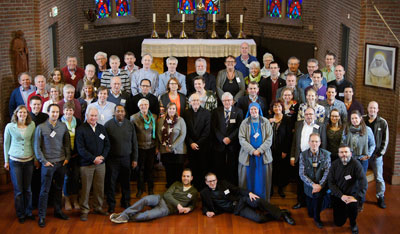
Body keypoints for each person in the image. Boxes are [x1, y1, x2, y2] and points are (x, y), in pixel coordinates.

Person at [200, 173, 295, 225]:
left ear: (216, 180)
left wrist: (249, 193)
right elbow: (204, 206)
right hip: (237, 209)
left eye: (214, 180)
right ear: (206, 182)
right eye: (210, 181)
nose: (212, 183)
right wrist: (207, 212)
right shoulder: (204, 193)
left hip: (241, 200)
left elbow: (237, 190)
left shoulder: (223, 183)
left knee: (257, 200)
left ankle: (281, 214)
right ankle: (281, 213)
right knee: (259, 219)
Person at [109, 169, 198, 224]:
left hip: (166, 209)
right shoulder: (176, 184)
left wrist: (189, 209)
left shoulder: (194, 192)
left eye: (187, 176)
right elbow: (167, 194)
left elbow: (192, 205)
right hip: (160, 198)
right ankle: (124, 214)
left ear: (192, 178)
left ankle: (125, 216)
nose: (185, 178)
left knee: (147, 216)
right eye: (184, 176)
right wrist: (178, 204)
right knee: (145, 199)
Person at [34, 104, 71, 227]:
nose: (55, 114)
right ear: (48, 113)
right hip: (48, 164)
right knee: (44, 190)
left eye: (56, 112)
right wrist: (43, 161)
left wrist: (67, 158)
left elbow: (67, 144)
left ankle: (58, 211)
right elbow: (37, 147)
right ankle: (42, 216)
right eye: (52, 112)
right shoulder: (41, 127)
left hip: (61, 163)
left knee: (59, 189)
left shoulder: (63, 126)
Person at [75, 107, 111, 221]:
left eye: (95, 115)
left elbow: (107, 145)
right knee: (86, 188)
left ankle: (98, 207)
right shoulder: (81, 129)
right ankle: (84, 210)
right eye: (91, 115)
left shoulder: (101, 128)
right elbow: (80, 149)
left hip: (101, 163)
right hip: (86, 164)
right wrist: (93, 158)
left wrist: (103, 157)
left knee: (99, 187)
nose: (93, 118)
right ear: (86, 116)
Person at [4, 105, 36, 223]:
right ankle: (20, 213)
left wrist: (36, 158)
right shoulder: (10, 126)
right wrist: (6, 161)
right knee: (18, 190)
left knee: (28, 188)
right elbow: (6, 144)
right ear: (16, 114)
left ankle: (28, 211)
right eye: (20, 112)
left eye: (24, 112)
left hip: (29, 160)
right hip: (15, 160)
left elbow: (33, 142)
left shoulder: (32, 125)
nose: (22, 114)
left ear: (27, 114)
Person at [105, 105, 138, 213]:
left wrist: (135, 159)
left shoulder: (129, 125)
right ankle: (111, 204)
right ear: (114, 113)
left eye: (122, 111)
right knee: (111, 183)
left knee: (126, 182)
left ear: (125, 113)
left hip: (126, 158)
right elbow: (105, 144)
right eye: (118, 111)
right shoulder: (108, 125)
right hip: (112, 159)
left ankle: (126, 201)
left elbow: (134, 143)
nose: (120, 113)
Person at [291, 107, 327, 209]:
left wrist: (322, 158)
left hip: (314, 158)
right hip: (300, 156)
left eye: (311, 114)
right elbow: (294, 142)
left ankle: (311, 202)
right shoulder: (298, 124)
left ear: (315, 115)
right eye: (306, 114)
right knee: (300, 180)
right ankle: (300, 201)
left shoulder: (320, 126)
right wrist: (292, 156)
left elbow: (323, 143)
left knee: (313, 180)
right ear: (304, 115)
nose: (309, 116)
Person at [328, 144, 367, 234]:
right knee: (338, 223)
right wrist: (341, 196)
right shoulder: (334, 165)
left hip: (351, 195)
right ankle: (344, 214)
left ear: (351, 153)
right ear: (338, 154)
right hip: (339, 195)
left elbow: (363, 182)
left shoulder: (356, 164)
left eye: (346, 152)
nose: (344, 154)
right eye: (341, 152)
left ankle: (353, 223)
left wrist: (357, 197)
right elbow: (331, 183)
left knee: (353, 209)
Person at [238, 102, 273, 201]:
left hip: (263, 156)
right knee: (248, 180)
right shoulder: (244, 123)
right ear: (249, 111)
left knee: (262, 181)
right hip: (248, 156)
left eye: (255, 109)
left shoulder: (265, 122)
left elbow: (269, 139)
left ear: (259, 110)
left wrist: (260, 150)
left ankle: (263, 201)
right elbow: (241, 139)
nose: (253, 111)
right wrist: (253, 151)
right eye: (251, 109)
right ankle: (247, 201)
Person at [299, 133, 331, 228]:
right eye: (312, 141)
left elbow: (327, 172)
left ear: (320, 143)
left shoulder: (326, 154)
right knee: (310, 213)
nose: (314, 143)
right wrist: (313, 185)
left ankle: (317, 219)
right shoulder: (303, 155)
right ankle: (316, 210)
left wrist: (320, 185)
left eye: (316, 141)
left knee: (317, 201)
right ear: (309, 143)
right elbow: (302, 173)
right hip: (309, 186)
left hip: (321, 185)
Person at [211, 92, 243, 185]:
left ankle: (231, 186)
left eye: (229, 100)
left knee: (232, 167)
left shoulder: (238, 111)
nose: (227, 102)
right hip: (219, 144)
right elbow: (214, 127)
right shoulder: (216, 111)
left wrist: (230, 138)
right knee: (219, 166)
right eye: (224, 100)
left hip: (232, 144)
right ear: (222, 101)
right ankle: (220, 186)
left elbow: (239, 127)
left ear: (232, 101)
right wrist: (222, 139)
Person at [182, 93, 211, 190]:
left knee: (203, 167)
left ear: (201, 102)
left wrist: (197, 143)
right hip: (190, 146)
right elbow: (184, 130)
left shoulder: (207, 113)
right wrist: (191, 143)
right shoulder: (185, 113)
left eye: (197, 100)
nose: (195, 102)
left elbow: (207, 131)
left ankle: (202, 188)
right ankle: (192, 187)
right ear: (190, 102)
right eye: (193, 100)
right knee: (192, 167)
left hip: (203, 146)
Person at [363, 101, 389, 209]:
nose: (372, 110)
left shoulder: (382, 122)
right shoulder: (362, 120)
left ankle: (380, 197)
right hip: (364, 155)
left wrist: (380, 153)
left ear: (377, 110)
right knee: (361, 176)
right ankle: (360, 196)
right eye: (370, 108)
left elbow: (385, 139)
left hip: (376, 155)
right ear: (367, 108)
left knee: (379, 177)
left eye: (374, 108)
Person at [131, 99, 158, 197]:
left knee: (150, 169)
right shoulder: (133, 118)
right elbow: (132, 136)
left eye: (145, 104)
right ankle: (140, 189)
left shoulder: (154, 117)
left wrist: (157, 147)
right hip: (139, 147)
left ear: (149, 105)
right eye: (141, 105)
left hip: (151, 147)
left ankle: (150, 189)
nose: (144, 106)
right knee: (140, 170)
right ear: (139, 107)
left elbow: (156, 133)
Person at [157, 102, 187, 188]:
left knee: (178, 171)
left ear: (176, 110)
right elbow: (159, 133)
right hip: (165, 150)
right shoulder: (162, 120)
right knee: (169, 171)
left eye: (173, 108)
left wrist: (172, 146)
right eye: (170, 108)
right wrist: (165, 145)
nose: (171, 110)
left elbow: (183, 135)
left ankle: (178, 190)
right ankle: (169, 189)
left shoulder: (181, 120)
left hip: (179, 151)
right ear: (167, 109)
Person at [60, 102, 81, 211]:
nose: (69, 112)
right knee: (67, 177)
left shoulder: (78, 122)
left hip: (76, 155)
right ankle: (67, 199)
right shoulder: (60, 122)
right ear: (63, 111)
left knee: (76, 177)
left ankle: (75, 199)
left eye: (71, 110)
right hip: (64, 156)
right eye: (66, 110)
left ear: (74, 111)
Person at [269, 101, 292, 197]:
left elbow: (289, 136)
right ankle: (270, 189)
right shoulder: (269, 120)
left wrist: (285, 150)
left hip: (282, 150)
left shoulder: (287, 119)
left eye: (278, 106)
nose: (277, 108)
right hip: (270, 149)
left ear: (282, 107)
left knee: (281, 169)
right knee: (272, 169)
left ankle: (280, 189)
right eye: (274, 106)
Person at [28, 95, 48, 209]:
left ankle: (43, 202)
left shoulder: (45, 117)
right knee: (32, 180)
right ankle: (33, 203)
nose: (36, 106)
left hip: (44, 151)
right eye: (34, 104)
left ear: (41, 105)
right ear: (30, 105)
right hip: (30, 153)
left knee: (43, 179)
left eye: (38, 104)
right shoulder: (27, 117)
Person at [342, 110, 375, 174]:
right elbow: (343, 143)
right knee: (350, 179)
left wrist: (368, 155)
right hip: (350, 159)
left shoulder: (367, 130)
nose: (354, 120)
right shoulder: (346, 129)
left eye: (356, 118)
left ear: (360, 118)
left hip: (362, 159)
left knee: (361, 180)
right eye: (352, 118)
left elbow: (372, 144)